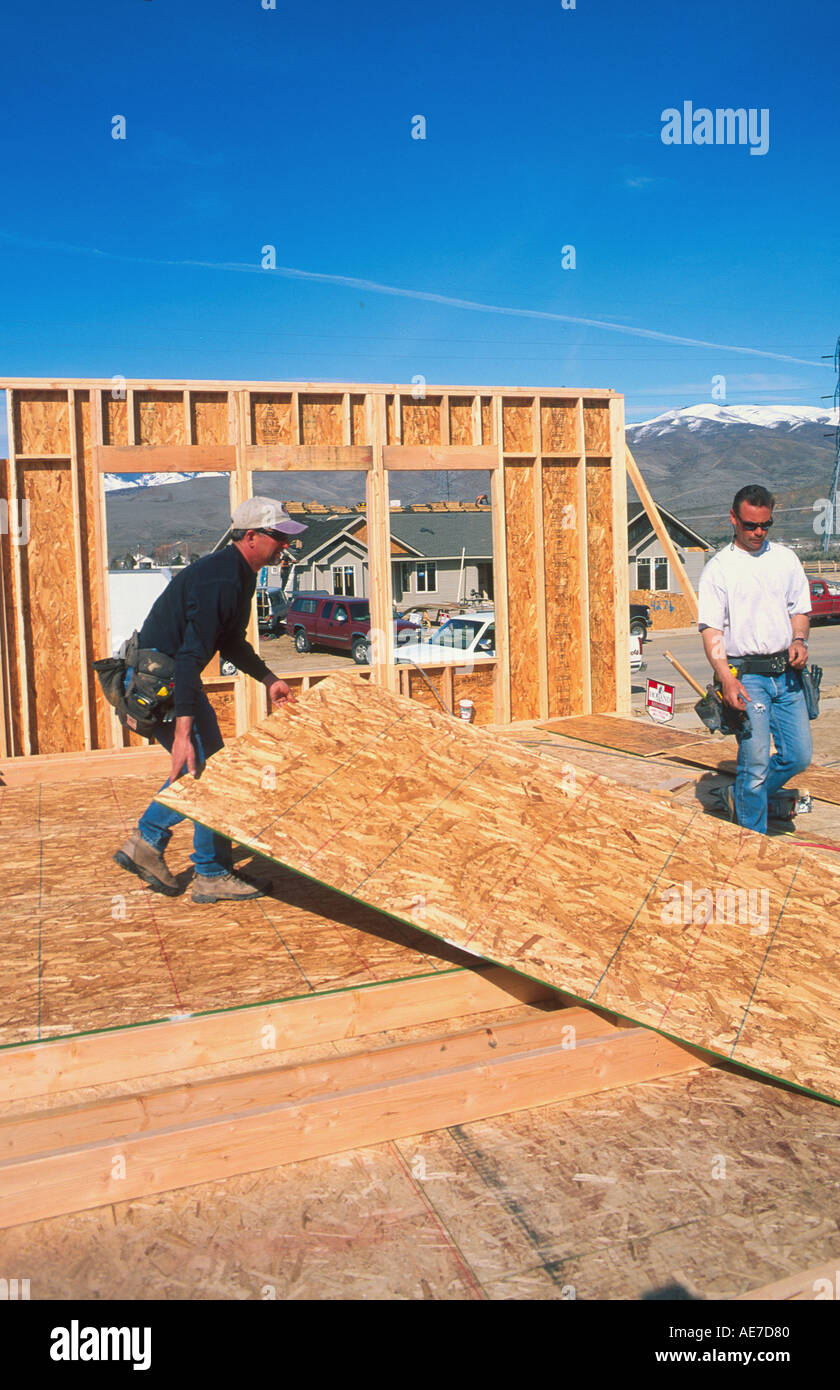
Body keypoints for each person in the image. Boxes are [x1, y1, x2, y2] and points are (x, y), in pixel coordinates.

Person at [114, 497, 307, 901]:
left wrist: (268, 678)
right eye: (278, 537)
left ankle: (195, 863)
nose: (284, 546)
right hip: (159, 682)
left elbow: (227, 641)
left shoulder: (241, 574)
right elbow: (188, 655)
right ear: (251, 536)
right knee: (204, 767)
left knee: (211, 767)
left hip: (171, 676)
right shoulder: (220, 578)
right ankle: (167, 850)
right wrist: (183, 731)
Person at [697, 484, 812, 834]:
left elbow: (800, 610)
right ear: (734, 519)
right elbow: (711, 631)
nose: (758, 533)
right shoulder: (720, 568)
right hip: (747, 679)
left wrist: (799, 639)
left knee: (798, 755)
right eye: (750, 525)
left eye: (765, 525)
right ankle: (751, 840)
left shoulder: (785, 559)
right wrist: (727, 678)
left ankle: (741, 795)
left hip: (787, 675)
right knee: (756, 760)